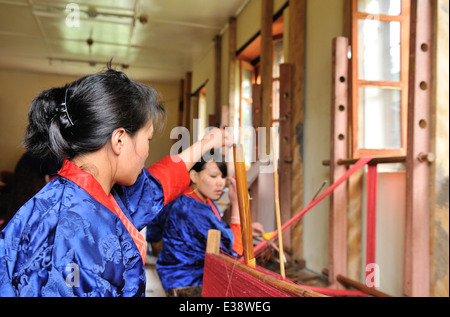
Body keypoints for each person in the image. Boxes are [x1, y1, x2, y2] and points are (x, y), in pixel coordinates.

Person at [0, 67, 229, 297]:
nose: (147, 152)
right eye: (147, 139)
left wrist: (207, 142)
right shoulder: (74, 230)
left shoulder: (89, 193)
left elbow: (155, 184)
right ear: (119, 139)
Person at [147, 153, 263, 297]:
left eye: (222, 177)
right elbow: (234, 251)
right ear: (194, 176)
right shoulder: (190, 209)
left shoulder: (195, 198)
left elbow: (155, 232)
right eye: (214, 176)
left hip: (176, 276)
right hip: (187, 284)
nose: (220, 182)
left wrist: (247, 230)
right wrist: (237, 205)